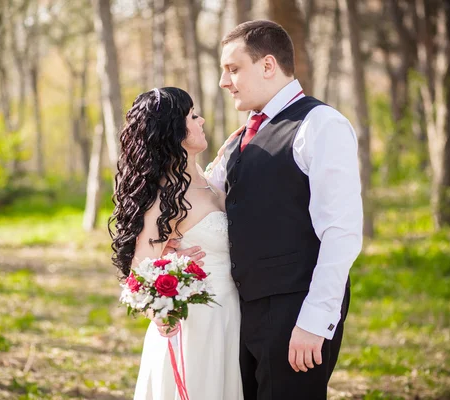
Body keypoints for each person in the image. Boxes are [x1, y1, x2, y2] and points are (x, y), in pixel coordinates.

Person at [166, 20, 363, 399]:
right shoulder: (240, 137)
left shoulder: (321, 124)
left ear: (268, 65)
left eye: (233, 68)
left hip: (296, 311)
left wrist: (315, 321)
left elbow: (341, 232)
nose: (225, 82)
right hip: (241, 314)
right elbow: (209, 206)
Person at [109, 87, 244, 400]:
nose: (203, 120)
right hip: (197, 325)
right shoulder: (164, 200)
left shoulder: (202, 176)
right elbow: (139, 274)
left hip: (230, 315)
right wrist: (169, 278)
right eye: (193, 116)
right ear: (174, 131)